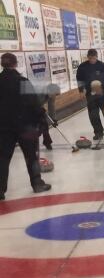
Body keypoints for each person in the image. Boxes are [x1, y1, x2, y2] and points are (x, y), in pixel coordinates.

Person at [0, 53, 51, 201]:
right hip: (25, 125)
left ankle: (0, 190)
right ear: (15, 64)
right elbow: (34, 104)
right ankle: (37, 184)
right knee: (31, 156)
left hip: (4, 127)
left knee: (2, 158)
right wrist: (41, 116)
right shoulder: (22, 81)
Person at [76, 49, 104, 140]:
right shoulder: (82, 67)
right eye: (90, 58)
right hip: (90, 95)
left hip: (103, 94)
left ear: (96, 57)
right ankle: (98, 132)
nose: (92, 60)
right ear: (87, 57)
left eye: (93, 58)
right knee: (93, 115)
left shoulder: (103, 67)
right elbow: (79, 80)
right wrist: (81, 91)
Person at [39, 83, 60, 150]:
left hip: (39, 108)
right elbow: (34, 104)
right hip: (29, 108)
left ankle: (47, 142)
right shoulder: (40, 93)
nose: (54, 96)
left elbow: (52, 106)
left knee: (45, 126)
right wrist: (41, 109)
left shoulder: (51, 95)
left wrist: (54, 119)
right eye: (54, 94)